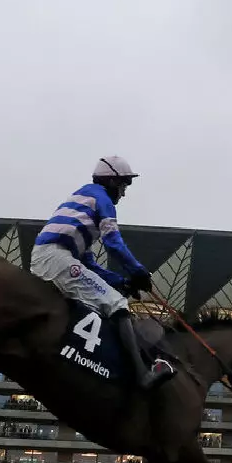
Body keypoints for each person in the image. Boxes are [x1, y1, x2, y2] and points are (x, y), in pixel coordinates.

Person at [30, 156, 174, 389]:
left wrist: (123, 282)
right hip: (55, 258)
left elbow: (90, 266)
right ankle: (142, 376)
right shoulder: (101, 198)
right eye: (123, 186)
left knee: (107, 300)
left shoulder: (83, 203)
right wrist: (139, 272)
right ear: (111, 181)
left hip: (53, 257)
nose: (123, 194)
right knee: (117, 304)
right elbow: (113, 242)